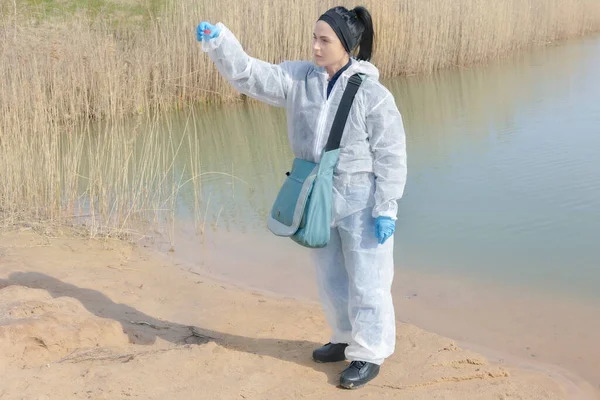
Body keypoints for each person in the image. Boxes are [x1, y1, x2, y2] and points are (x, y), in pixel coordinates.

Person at [196, 5, 407, 390]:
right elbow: (251, 75)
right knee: (329, 275)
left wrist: (386, 206)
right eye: (314, 37)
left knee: (369, 278)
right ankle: (344, 337)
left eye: (324, 40)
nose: (315, 47)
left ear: (346, 45)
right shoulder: (300, 79)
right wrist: (220, 43)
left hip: (361, 197)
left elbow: (391, 153)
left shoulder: (372, 93)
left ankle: (369, 353)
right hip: (317, 192)